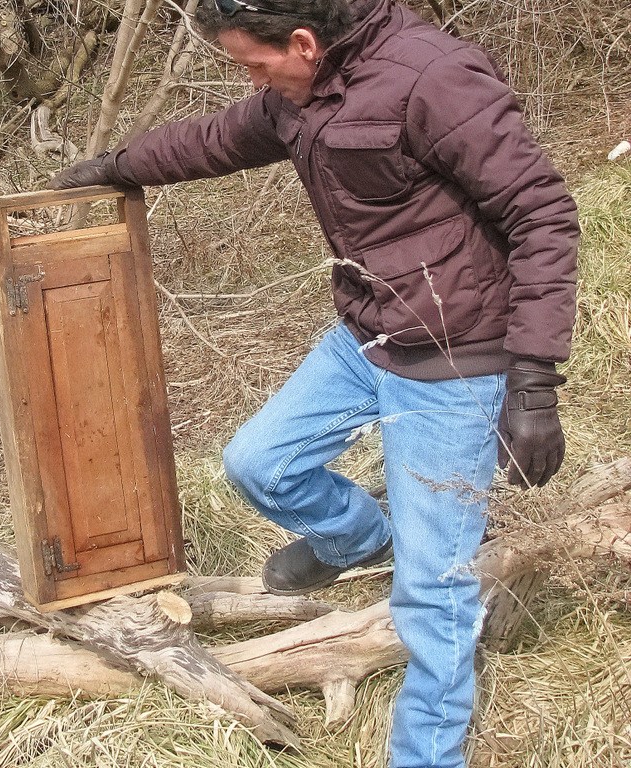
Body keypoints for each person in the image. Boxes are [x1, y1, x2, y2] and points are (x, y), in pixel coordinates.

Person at [49, 1, 579, 765]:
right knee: (258, 463)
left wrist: (532, 381)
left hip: (455, 357)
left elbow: (542, 216)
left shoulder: (433, 78)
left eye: (253, 64)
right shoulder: (300, 91)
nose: (249, 80)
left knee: (432, 591)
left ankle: (426, 753)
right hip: (367, 334)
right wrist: (115, 168)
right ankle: (362, 537)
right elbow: (215, 138)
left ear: (302, 42)